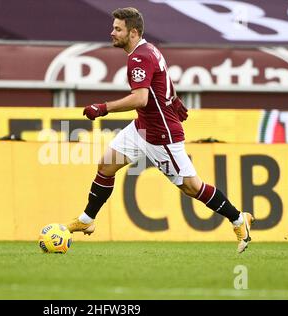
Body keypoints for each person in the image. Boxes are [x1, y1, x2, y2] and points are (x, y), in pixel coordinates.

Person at [66, 7, 254, 253]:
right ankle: (87, 220)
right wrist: (173, 100)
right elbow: (162, 78)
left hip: (160, 135)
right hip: (142, 127)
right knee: (106, 165)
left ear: (133, 32)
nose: (111, 32)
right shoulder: (148, 49)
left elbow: (140, 98)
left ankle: (239, 219)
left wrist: (103, 108)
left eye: (117, 29)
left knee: (191, 186)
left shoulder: (139, 57)